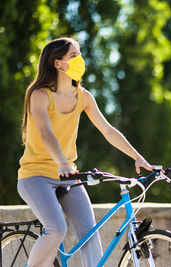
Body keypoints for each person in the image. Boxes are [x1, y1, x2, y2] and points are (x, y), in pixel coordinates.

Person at [17, 36, 153, 267]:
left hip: (69, 178)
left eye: (79, 53)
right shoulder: (39, 94)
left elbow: (108, 131)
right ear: (58, 63)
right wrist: (61, 162)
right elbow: (44, 132)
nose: (80, 59)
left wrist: (138, 157)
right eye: (74, 55)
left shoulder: (83, 97)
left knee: (91, 234)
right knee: (57, 228)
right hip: (35, 176)